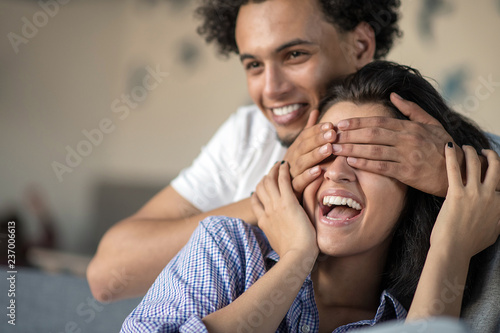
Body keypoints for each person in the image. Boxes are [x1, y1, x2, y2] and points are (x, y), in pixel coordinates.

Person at [86, 0, 499, 303]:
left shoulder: (429, 140)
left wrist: (459, 181)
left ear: (359, 46)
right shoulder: (247, 137)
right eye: (253, 65)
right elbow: (108, 276)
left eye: (295, 54)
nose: (271, 89)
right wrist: (273, 193)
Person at [119, 61, 500, 332]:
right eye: (325, 151)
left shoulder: (412, 315)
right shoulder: (226, 248)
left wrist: (451, 246)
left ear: (415, 187)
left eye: (370, 156)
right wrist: (295, 261)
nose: (337, 171)